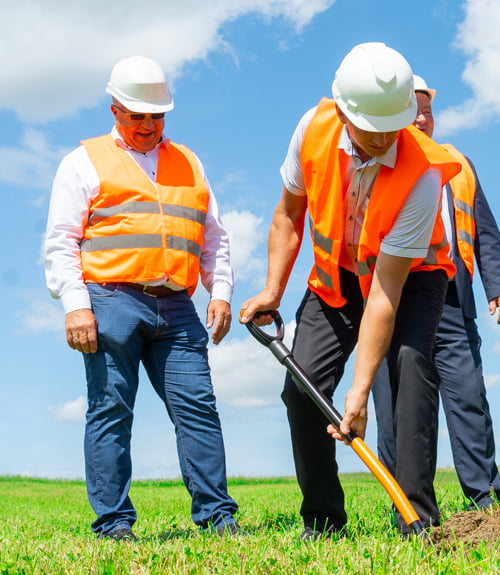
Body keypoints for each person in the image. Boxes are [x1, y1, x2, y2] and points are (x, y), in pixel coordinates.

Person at [239, 43, 461, 539]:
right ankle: (323, 519)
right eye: (371, 127)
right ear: (342, 111)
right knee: (302, 393)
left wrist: (357, 397)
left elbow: (383, 295)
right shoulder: (311, 130)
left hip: (411, 278)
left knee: (409, 369)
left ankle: (418, 520)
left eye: (393, 126)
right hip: (336, 276)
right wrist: (273, 289)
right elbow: (288, 215)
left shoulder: (424, 174)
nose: (384, 138)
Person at [44, 56, 240, 540]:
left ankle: (217, 518)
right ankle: (114, 524)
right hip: (110, 300)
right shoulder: (84, 160)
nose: (148, 125)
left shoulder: (189, 161)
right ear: (115, 110)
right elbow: (61, 240)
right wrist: (75, 305)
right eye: (137, 115)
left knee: (198, 407)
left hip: (178, 306)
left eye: (157, 115)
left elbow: (213, 236)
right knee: (110, 409)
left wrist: (220, 291)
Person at [371, 75, 500, 509]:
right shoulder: (376, 157)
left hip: (452, 297)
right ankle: (407, 505)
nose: (421, 118)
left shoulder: (457, 162)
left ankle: (486, 503)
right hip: (390, 298)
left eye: (427, 110)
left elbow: (484, 227)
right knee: (396, 407)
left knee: (469, 397)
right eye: (411, 109)